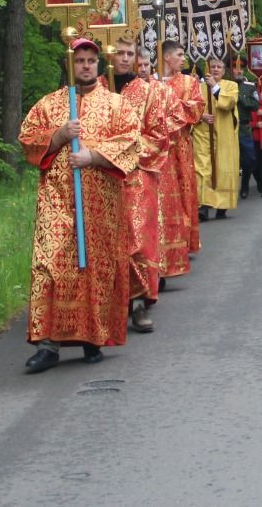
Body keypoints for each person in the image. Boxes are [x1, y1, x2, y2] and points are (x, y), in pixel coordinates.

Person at [17, 36, 139, 371]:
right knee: (50, 264)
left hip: (100, 203)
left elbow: (131, 142)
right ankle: (48, 344)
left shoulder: (117, 105)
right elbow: (27, 139)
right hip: (57, 202)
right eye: (80, 60)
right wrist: (57, 136)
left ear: (98, 65)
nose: (85, 65)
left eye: (90, 60)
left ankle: (92, 337)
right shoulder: (50, 104)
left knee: (93, 269)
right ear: (70, 64)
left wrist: (93, 156)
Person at [114, 36, 169, 333]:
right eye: (119, 53)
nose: (124, 58)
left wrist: (125, 151)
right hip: (101, 177)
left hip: (136, 177)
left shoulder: (146, 92)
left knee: (136, 240)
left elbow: (159, 137)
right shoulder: (95, 88)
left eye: (129, 53)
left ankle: (138, 304)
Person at [155, 41, 204, 273]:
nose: (183, 58)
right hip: (158, 146)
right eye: (179, 54)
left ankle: (185, 239)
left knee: (184, 189)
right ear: (166, 57)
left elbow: (196, 109)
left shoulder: (189, 82)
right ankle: (164, 241)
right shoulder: (152, 82)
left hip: (181, 145)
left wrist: (171, 112)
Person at [194, 56, 240, 220]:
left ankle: (222, 204)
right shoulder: (198, 87)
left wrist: (214, 87)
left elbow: (228, 104)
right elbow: (191, 107)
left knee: (222, 168)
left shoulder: (231, 85)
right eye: (212, 66)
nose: (215, 69)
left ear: (224, 70)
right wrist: (201, 115)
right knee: (202, 168)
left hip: (223, 134)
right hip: (202, 133)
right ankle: (203, 205)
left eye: (219, 67)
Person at [234, 56, 262, 198]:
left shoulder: (250, 86)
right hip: (229, 128)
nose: (238, 71)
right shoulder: (224, 85)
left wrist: (241, 98)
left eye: (241, 68)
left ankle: (245, 184)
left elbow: (256, 105)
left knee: (249, 159)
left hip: (245, 128)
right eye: (235, 68)